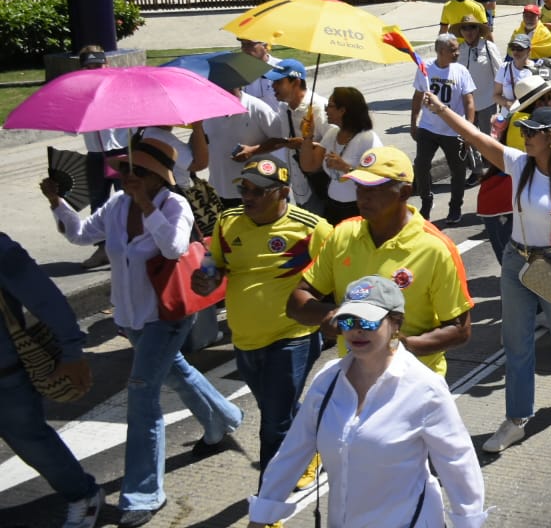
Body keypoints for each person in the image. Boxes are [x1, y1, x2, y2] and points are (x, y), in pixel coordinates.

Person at [42, 137, 243, 528]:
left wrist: (148, 206)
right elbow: (81, 234)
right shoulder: (117, 205)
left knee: (142, 396)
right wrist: (56, 202)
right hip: (131, 318)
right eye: (122, 170)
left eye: (134, 171)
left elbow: (172, 248)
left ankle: (143, 493)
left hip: (165, 318)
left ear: (155, 176)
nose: (125, 177)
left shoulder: (175, 204)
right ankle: (223, 417)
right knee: (177, 370)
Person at [420, 98, 551, 453]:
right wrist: (442, 110)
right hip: (516, 260)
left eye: (532, 132)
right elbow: (474, 136)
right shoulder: (519, 164)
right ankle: (516, 419)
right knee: (515, 342)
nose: (525, 137)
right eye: (523, 131)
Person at [249, 276, 488, 528]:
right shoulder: (327, 381)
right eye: (348, 320)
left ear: (395, 323)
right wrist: (261, 516)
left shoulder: (424, 388)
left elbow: (457, 462)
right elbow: (293, 452)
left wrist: (469, 522)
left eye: (368, 321)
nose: (357, 330)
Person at [197, 160, 333, 482]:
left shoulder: (312, 228)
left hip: (292, 336)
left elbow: (338, 274)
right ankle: (317, 443)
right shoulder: (227, 222)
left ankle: (269, 498)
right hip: (243, 339)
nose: (247, 196)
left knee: (272, 423)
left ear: (283, 192)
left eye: (258, 190)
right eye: (244, 188)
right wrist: (205, 279)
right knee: (279, 411)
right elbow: (213, 265)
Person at [288, 145, 473, 379]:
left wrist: (399, 347)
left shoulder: (435, 248)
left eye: (373, 189)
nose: (362, 196)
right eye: (359, 187)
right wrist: (330, 315)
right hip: (355, 378)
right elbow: (297, 300)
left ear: (404, 192)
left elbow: (460, 329)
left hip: (414, 383)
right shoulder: (342, 235)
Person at [0, 233, 102, 528]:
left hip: (6, 376)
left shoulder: (2, 250)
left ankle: (83, 496)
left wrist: (72, 353)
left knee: (32, 442)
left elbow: (46, 299)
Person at [477, 73, 551, 262]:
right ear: (539, 102)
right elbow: (531, 162)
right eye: (549, 98)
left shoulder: (527, 120)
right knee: (521, 263)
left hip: (513, 195)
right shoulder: (525, 125)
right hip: (504, 197)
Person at [243, 59, 329, 213]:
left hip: (321, 186)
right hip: (298, 188)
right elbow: (283, 141)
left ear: (295, 82)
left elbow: (336, 147)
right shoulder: (283, 107)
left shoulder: (319, 108)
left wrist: (306, 144)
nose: (273, 86)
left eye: (278, 82)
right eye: (272, 82)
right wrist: (253, 150)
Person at [411, 34, 477, 226]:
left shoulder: (461, 71)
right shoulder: (425, 69)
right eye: (453, 50)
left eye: (457, 49)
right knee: (421, 165)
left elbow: (469, 101)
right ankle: (426, 200)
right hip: (428, 128)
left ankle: (455, 207)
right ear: (440, 51)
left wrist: (469, 129)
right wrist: (414, 121)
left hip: (453, 131)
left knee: (458, 171)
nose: (457, 53)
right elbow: (417, 96)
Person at [76, 46, 130, 268]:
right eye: (88, 67)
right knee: (98, 202)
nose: (94, 70)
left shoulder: (120, 87)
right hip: (95, 153)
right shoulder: (79, 91)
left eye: (97, 65)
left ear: (106, 64)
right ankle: (102, 248)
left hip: (118, 150)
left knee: (126, 199)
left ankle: (132, 245)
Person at [298, 87, 382, 225]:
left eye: (330, 106)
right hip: (333, 207)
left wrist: (345, 167)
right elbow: (309, 166)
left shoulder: (368, 139)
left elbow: (377, 180)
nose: (326, 110)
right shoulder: (332, 134)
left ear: (343, 110)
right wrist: (307, 138)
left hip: (358, 210)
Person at [203, 83, 281, 209]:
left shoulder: (257, 108)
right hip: (219, 189)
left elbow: (281, 140)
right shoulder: (207, 111)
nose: (223, 92)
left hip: (253, 193)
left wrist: (253, 151)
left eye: (228, 87)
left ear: (238, 85)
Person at [455, 14, 501, 185]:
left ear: (478, 30)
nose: (468, 31)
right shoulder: (459, 50)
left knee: (488, 138)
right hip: (466, 103)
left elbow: (499, 71)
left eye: (472, 27)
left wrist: (501, 96)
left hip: (488, 100)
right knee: (469, 137)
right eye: (465, 28)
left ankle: (495, 170)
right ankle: (477, 171)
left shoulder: (488, 47)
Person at [238, 37, 284, 106]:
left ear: (265, 46)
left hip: (277, 116)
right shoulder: (238, 68)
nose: (244, 48)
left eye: (249, 44)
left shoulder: (282, 68)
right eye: (243, 44)